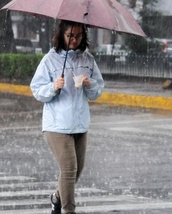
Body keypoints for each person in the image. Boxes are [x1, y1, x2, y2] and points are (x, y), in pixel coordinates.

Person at [30, 20, 105, 214]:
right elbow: (37, 90)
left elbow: (97, 92)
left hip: (80, 124)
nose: (74, 40)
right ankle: (68, 210)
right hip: (56, 125)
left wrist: (90, 85)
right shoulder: (50, 59)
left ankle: (56, 197)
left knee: (75, 171)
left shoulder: (88, 60)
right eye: (70, 35)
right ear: (61, 35)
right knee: (69, 169)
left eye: (78, 36)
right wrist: (53, 87)